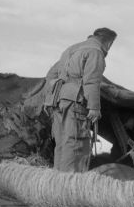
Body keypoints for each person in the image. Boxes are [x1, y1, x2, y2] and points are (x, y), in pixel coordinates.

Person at [44, 28, 118, 173]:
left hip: (58, 100)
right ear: (109, 42)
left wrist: (52, 96)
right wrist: (94, 107)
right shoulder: (95, 51)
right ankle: (69, 187)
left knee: (61, 143)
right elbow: (91, 82)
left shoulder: (71, 49)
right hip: (75, 102)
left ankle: (55, 184)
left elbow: (50, 75)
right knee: (75, 144)